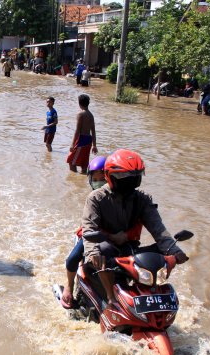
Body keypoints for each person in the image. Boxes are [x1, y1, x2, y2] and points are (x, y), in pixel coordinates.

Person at [82, 149, 189, 308]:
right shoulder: (96, 198)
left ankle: (146, 295)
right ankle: (111, 299)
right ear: (111, 177)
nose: (129, 183)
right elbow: (89, 229)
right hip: (105, 246)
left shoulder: (142, 200)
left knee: (159, 253)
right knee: (102, 249)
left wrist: (174, 251)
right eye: (124, 178)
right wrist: (93, 252)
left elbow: (158, 229)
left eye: (134, 178)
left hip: (130, 247)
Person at [59, 156, 108, 308]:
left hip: (113, 238)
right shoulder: (93, 198)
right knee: (72, 259)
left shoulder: (121, 196)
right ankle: (69, 287)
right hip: (93, 236)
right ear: (91, 179)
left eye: (103, 179)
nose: (99, 182)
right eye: (96, 179)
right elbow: (89, 222)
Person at [66, 94, 98, 174]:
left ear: (79, 103)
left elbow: (77, 130)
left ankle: (74, 181)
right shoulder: (91, 115)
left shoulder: (80, 114)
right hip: (88, 140)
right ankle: (82, 180)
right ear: (88, 103)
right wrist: (94, 145)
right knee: (84, 162)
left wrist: (72, 144)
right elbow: (93, 131)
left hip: (81, 139)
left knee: (71, 161)